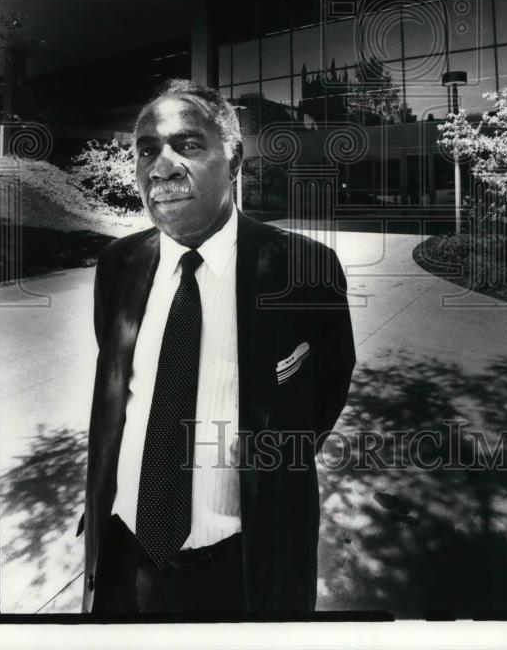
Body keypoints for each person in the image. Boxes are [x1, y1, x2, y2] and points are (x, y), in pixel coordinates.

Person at [80, 78, 355, 616]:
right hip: (122, 555)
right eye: (145, 149)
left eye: (186, 144)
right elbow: (117, 390)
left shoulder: (304, 270)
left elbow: (323, 394)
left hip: (243, 568)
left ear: (234, 159)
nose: (159, 166)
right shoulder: (119, 265)